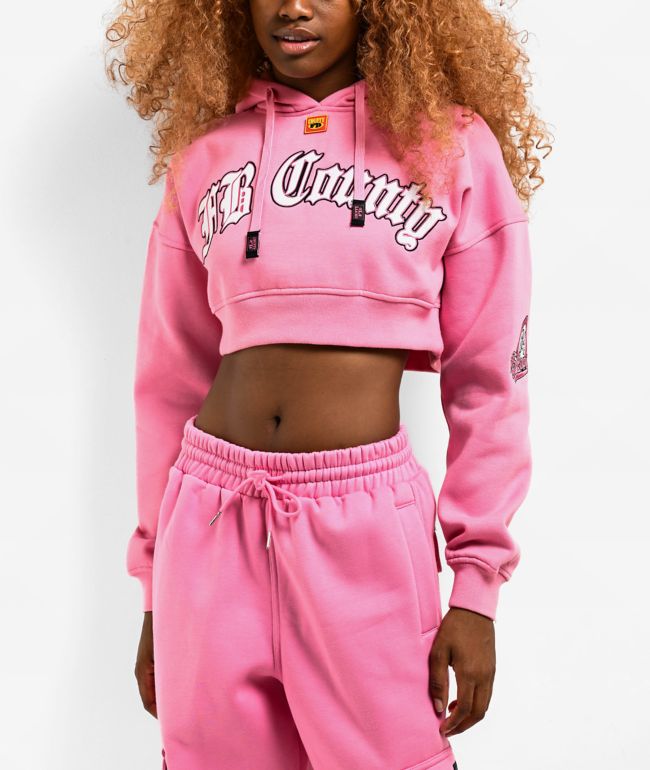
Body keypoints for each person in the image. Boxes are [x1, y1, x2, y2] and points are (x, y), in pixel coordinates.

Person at [104, 1, 552, 767]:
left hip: (363, 525)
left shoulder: (452, 147)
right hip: (208, 521)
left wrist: (476, 591)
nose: (293, 6)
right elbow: (167, 383)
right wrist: (153, 593)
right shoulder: (207, 157)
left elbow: (488, 387)